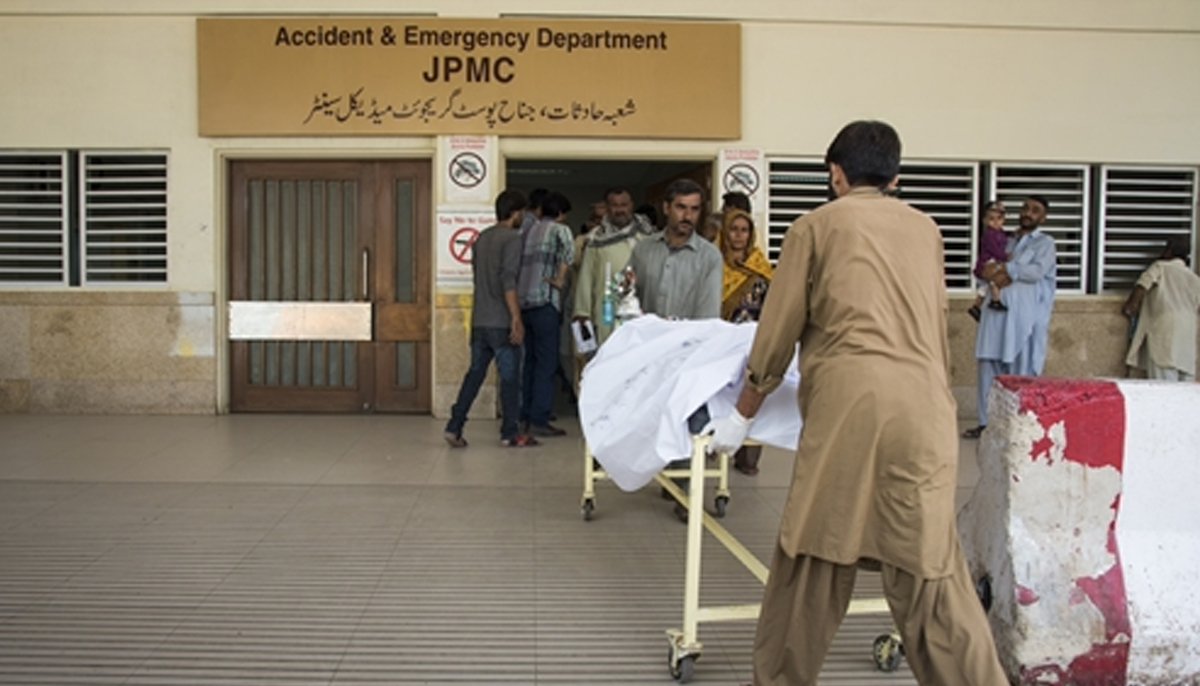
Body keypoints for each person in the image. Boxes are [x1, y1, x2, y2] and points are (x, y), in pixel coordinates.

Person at [704, 121, 1008, 686]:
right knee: (930, 567)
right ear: (895, 176)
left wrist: (743, 411)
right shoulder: (926, 229)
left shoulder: (814, 227)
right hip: (926, 408)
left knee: (814, 553)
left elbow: (778, 330)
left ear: (835, 174)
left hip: (849, 407)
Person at [625, 177, 723, 521]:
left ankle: (687, 493)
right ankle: (665, 476)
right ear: (666, 207)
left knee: (689, 421)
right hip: (650, 353)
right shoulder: (643, 250)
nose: (687, 216)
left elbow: (708, 313)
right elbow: (630, 299)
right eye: (681, 207)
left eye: (694, 209)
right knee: (655, 417)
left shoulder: (709, 257)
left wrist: (678, 331)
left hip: (690, 351)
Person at [443, 190, 538, 449]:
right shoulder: (512, 239)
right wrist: (516, 318)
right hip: (501, 322)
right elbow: (508, 280)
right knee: (509, 380)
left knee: (474, 375)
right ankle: (510, 433)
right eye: (523, 213)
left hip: (479, 321)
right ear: (516, 212)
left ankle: (454, 426)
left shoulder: (481, 239)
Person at [965, 195, 1056, 438]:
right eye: (1025, 208)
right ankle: (986, 424)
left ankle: (1018, 424)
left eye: (1035, 210)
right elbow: (984, 267)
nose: (1028, 213)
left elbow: (1035, 272)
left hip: (1023, 319)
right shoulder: (1002, 239)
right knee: (988, 366)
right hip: (994, 315)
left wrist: (1006, 270)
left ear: (1043, 217)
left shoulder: (1044, 244)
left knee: (1021, 369)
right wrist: (996, 271)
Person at [716, 209, 773, 475]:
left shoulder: (759, 265)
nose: (739, 235)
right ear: (724, 233)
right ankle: (715, 447)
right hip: (722, 340)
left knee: (752, 395)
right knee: (720, 396)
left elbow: (773, 304)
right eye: (733, 229)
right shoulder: (714, 263)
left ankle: (747, 459)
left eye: (744, 230)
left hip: (753, 341)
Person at [517, 191, 575, 437]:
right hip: (545, 303)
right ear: (561, 213)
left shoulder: (526, 230)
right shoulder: (561, 230)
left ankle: (524, 416)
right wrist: (559, 280)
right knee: (546, 364)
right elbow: (568, 256)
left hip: (524, 304)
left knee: (528, 362)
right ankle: (540, 419)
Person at [572, 187, 656, 346]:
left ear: (631, 205)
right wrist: (582, 313)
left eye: (624, 205)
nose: (620, 210)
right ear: (607, 208)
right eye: (614, 205)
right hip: (607, 312)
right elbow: (586, 278)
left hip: (643, 311)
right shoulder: (595, 239)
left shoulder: (647, 236)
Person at [1122, 236, 1200, 381]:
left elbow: (1142, 285)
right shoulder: (1193, 278)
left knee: (1163, 386)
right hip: (1187, 338)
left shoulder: (1160, 267)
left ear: (1168, 251)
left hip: (1165, 331)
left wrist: (1131, 305)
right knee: (1184, 390)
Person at [968, 201, 1009, 321]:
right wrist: (1005, 256)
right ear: (985, 220)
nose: (996, 222)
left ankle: (976, 306)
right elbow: (994, 250)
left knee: (984, 288)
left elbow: (1005, 236)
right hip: (986, 264)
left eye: (999, 218)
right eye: (991, 219)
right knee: (994, 281)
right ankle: (995, 301)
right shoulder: (989, 235)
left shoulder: (1000, 233)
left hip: (990, 264)